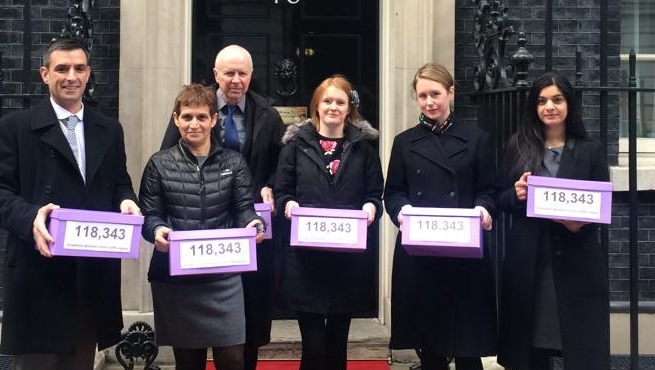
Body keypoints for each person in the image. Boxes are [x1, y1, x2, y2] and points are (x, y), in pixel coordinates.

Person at [0, 38, 141, 370]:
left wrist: (127, 200)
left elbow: (119, 183)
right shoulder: (15, 128)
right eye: (62, 69)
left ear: (88, 73)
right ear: (45, 74)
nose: (71, 77)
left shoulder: (109, 130)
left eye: (79, 68)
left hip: (90, 276)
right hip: (39, 273)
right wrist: (30, 217)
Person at [160, 44, 285, 370]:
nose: (235, 80)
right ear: (216, 74)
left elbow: (282, 165)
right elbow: (167, 160)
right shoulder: (193, 110)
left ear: (251, 75)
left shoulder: (268, 115)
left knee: (248, 322)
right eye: (229, 73)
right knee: (195, 327)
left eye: (242, 73)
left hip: (249, 229)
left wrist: (271, 185)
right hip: (200, 230)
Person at [140, 83, 266, 370]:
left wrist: (253, 223)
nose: (193, 124)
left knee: (233, 360)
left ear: (213, 119)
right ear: (176, 119)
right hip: (177, 280)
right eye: (187, 117)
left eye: (201, 117)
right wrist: (157, 230)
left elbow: (243, 209)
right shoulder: (158, 164)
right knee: (189, 364)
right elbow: (150, 215)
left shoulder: (234, 162)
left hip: (223, 277)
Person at [384, 62, 497, 370]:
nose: (429, 102)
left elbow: (489, 189)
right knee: (430, 346)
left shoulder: (477, 139)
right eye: (422, 96)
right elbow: (393, 192)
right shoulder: (404, 142)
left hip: (465, 254)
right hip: (421, 254)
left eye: (435, 94)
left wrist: (484, 210)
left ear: (451, 93)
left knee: (468, 349)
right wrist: (402, 211)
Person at [496, 72, 611, 370]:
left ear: (569, 103)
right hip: (529, 258)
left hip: (576, 257)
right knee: (529, 345)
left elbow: (601, 203)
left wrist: (578, 225)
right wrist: (516, 194)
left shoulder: (590, 150)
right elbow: (500, 199)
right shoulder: (517, 145)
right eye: (542, 101)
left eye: (557, 100)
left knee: (580, 345)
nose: (549, 107)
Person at [275, 75, 384, 370]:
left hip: (346, 263)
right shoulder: (294, 146)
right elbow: (282, 191)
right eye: (327, 101)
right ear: (317, 105)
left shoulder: (364, 148)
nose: (333, 107)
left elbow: (375, 194)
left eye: (340, 101)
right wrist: (287, 205)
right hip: (305, 262)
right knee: (313, 348)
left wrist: (371, 208)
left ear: (349, 107)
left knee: (337, 345)